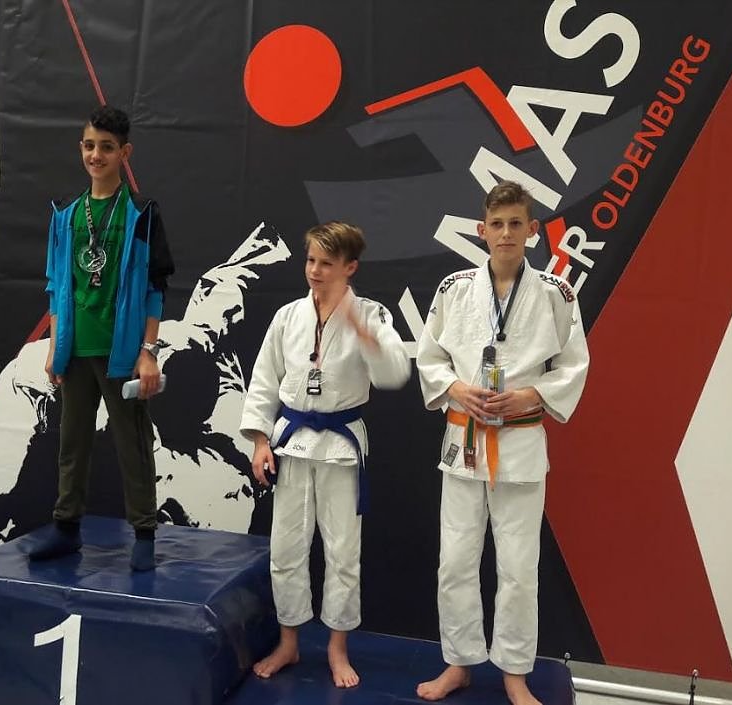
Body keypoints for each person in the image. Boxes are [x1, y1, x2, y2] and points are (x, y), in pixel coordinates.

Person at [415, 181, 589, 704]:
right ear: (482, 230)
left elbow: (574, 364)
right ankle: (458, 662)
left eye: (516, 224)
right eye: (497, 224)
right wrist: (456, 388)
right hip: (463, 439)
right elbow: (429, 356)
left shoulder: (557, 293)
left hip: (520, 442)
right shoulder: (453, 289)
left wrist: (533, 394)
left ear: (533, 231)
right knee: (455, 560)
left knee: (517, 567)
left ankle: (514, 672)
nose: (506, 233)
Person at [239, 221, 411, 688]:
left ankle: (337, 648)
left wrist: (365, 335)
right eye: (311, 260)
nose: (315, 270)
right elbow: (264, 379)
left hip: (340, 447)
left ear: (350, 267)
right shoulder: (288, 316)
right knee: (286, 548)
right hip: (292, 442)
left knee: (342, 552)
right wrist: (259, 441)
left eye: (326, 263)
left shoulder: (370, 314)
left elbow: (395, 373)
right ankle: (289, 642)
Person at [28, 104, 175, 572]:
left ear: (124, 153)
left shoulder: (141, 214)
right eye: (90, 146)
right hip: (75, 348)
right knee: (71, 444)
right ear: (81, 148)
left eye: (107, 147)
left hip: (122, 351)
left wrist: (148, 352)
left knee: (132, 444)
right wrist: (55, 346)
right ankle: (66, 526)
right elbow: (57, 284)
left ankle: (144, 531)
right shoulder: (66, 214)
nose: (96, 155)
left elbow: (155, 288)